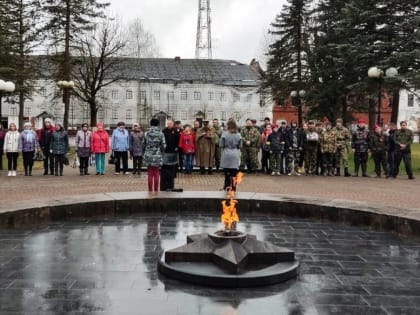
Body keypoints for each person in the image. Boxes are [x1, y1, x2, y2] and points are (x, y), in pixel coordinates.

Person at [143, 118, 166, 192]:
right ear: (158, 124)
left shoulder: (146, 133)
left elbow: (143, 144)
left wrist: (145, 151)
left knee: (150, 173)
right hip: (157, 154)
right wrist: (161, 151)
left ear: (150, 124)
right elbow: (164, 145)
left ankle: (150, 190)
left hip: (148, 154)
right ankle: (156, 190)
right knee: (156, 173)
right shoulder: (160, 133)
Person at [220, 119, 242, 191]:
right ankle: (234, 187)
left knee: (227, 173)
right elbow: (240, 146)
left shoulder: (224, 134)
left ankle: (226, 187)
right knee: (234, 173)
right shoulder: (238, 135)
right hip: (235, 154)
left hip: (226, 153)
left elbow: (221, 145)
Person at [161, 119, 180, 191]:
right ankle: (166, 174)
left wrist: (177, 147)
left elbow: (178, 139)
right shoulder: (164, 131)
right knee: (166, 163)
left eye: (170, 123)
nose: (169, 125)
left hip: (174, 149)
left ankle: (173, 174)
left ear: (173, 124)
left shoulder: (175, 131)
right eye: (168, 123)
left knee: (174, 162)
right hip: (166, 150)